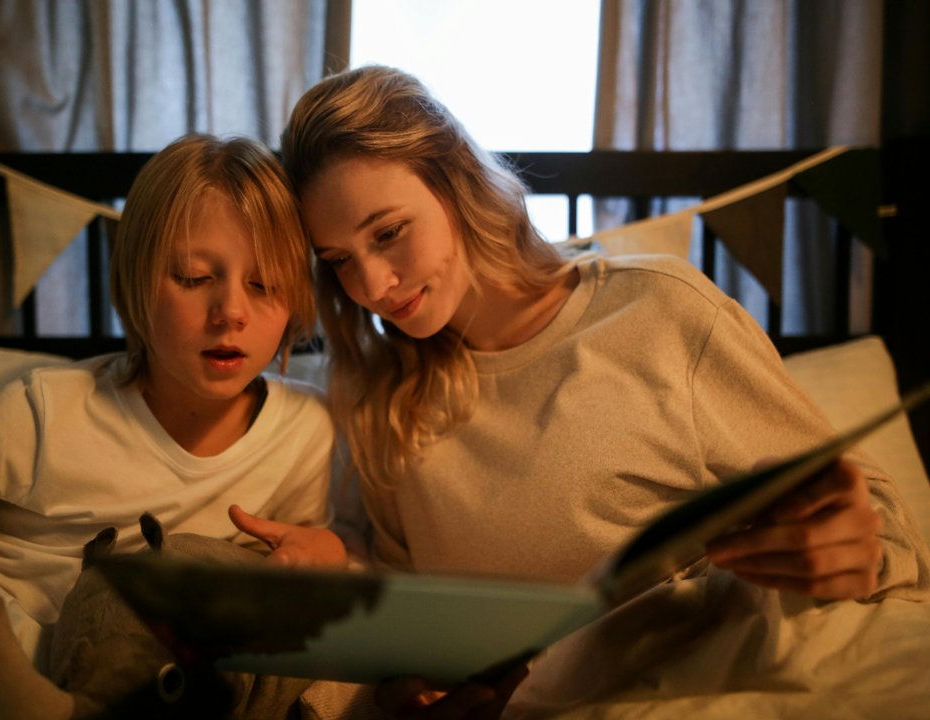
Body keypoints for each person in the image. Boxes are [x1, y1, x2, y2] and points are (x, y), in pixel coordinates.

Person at [276, 65, 930, 717]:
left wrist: (852, 543)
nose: (371, 286)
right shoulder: (379, 393)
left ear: (455, 180)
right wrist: (405, 682)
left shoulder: (659, 311)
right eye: (339, 261)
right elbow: (407, 608)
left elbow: (885, 529)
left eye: (388, 233)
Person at [0, 133, 345, 718]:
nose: (231, 312)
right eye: (192, 277)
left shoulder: (307, 431)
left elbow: (302, 570)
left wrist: (329, 551)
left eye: (264, 285)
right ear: (136, 282)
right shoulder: (40, 412)